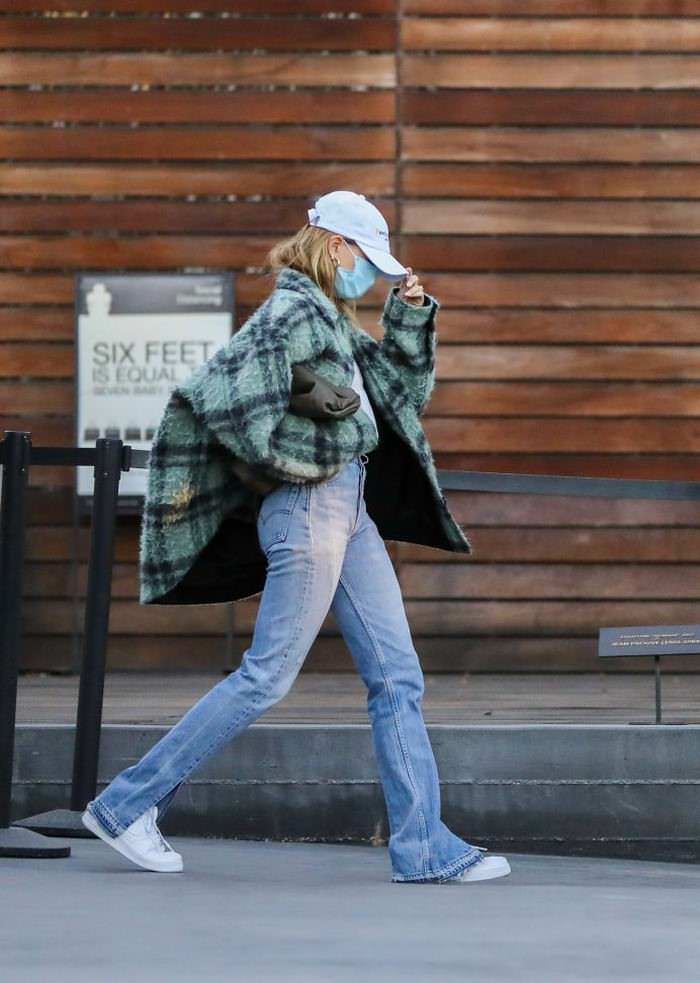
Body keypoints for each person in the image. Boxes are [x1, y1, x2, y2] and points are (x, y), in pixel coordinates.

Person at [82, 190, 511, 885]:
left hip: (351, 512)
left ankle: (423, 847)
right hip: (314, 509)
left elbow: (398, 397)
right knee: (266, 677)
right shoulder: (292, 313)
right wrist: (305, 463)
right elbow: (227, 400)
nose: (370, 274)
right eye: (366, 259)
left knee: (397, 676)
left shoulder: (329, 319)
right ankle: (128, 801)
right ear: (335, 246)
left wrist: (406, 317)